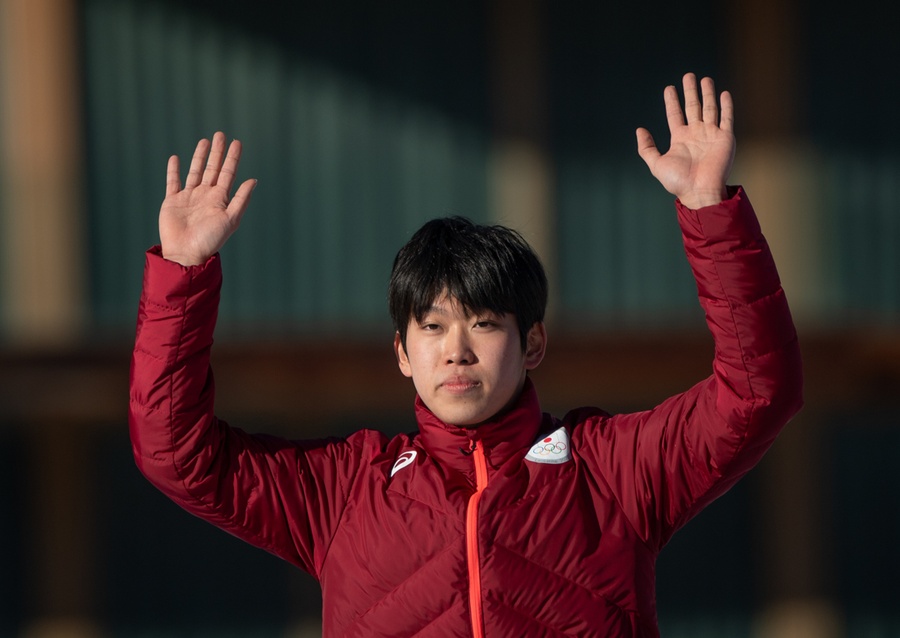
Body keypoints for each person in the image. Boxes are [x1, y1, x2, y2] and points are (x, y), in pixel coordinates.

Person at [129, 73, 803, 637]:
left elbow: (758, 392)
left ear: (531, 342)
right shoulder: (344, 495)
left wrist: (710, 209)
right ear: (401, 351)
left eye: (483, 324)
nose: (455, 350)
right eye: (431, 327)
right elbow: (173, 451)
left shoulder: (613, 474)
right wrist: (183, 271)